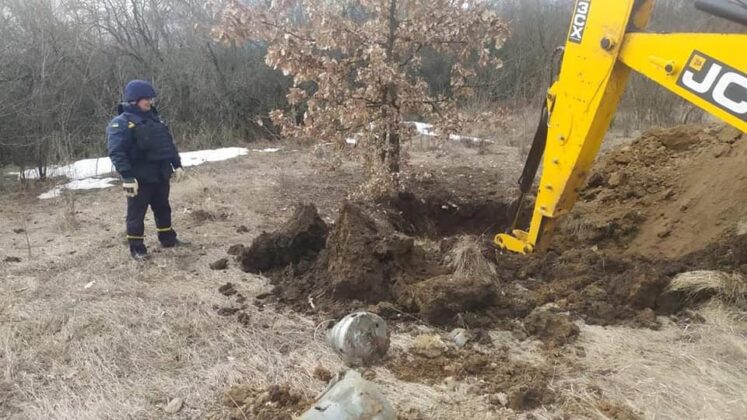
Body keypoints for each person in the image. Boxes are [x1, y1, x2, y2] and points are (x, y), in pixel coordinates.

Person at [107, 80, 186, 260]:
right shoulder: (121, 123)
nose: (150, 102)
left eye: (151, 99)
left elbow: (168, 145)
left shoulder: (156, 120)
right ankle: (137, 248)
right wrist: (127, 176)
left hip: (160, 175)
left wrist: (177, 164)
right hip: (139, 178)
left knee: (163, 208)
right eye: (146, 99)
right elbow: (116, 152)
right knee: (136, 214)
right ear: (134, 100)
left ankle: (167, 238)